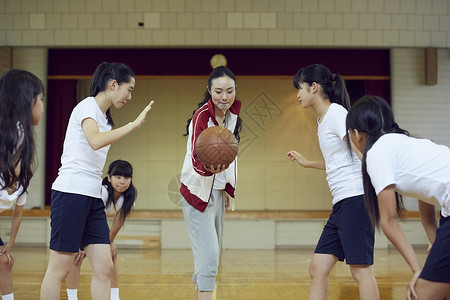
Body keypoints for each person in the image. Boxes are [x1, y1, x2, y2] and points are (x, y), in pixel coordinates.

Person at [40, 62, 154, 300]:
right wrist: (133, 126)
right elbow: (94, 140)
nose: (130, 96)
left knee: (104, 267)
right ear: (113, 84)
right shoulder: (87, 106)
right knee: (60, 268)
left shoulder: (105, 118)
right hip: (71, 192)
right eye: (129, 89)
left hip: (92, 197)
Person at [286, 64, 379, 300]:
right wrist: (308, 163)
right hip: (342, 204)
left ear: (314, 87)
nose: (298, 94)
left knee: (361, 271)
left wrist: (378, 180)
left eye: (300, 88)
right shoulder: (323, 121)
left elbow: (361, 150)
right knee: (317, 268)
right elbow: (341, 161)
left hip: (356, 199)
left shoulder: (337, 114)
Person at [346, 95, 450, 300]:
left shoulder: (377, 153)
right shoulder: (410, 145)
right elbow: (427, 212)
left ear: (357, 134)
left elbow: (388, 220)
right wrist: (431, 258)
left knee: (417, 296)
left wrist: (417, 270)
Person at [179, 65, 242, 300]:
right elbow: (197, 156)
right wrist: (208, 168)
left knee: (208, 257)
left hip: (216, 194)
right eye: (218, 92)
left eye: (229, 91)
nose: (224, 97)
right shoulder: (201, 117)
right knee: (209, 257)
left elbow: (228, 157)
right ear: (209, 91)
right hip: (197, 194)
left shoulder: (230, 117)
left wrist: (226, 189)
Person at [0, 69, 45, 300]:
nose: (43, 107)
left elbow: (17, 214)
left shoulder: (21, 143)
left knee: (4, 262)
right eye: (41, 100)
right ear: (29, 101)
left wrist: (9, 244)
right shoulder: (13, 134)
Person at [64, 160, 137, 300]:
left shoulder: (130, 194)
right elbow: (84, 215)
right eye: (118, 177)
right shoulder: (101, 191)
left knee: (111, 254)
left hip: (93, 223)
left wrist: (110, 241)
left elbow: (119, 219)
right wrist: (79, 243)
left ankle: (114, 297)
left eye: (126, 178)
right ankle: (71, 297)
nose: (122, 182)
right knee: (76, 257)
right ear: (109, 178)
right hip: (77, 220)